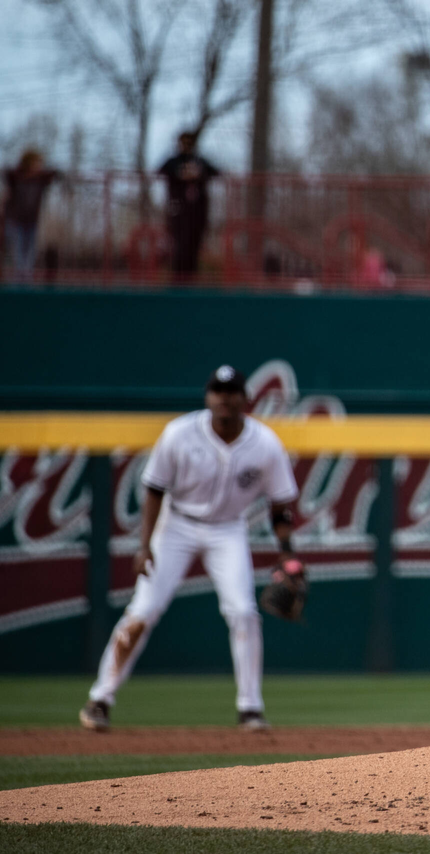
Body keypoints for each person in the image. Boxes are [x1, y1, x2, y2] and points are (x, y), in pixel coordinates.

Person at [79, 366, 299, 732]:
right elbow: (154, 489)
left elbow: (280, 506)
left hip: (228, 529)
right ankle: (100, 699)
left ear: (245, 398)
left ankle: (250, 708)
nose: (224, 398)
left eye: (232, 392)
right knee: (144, 610)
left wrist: (288, 554)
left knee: (243, 612)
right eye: (218, 391)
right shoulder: (179, 433)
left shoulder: (265, 443)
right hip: (176, 525)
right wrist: (145, 545)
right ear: (208, 396)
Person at [158, 132, 220, 280]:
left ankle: (191, 279)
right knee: (179, 245)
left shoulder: (199, 162)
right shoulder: (173, 162)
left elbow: (216, 172)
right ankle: (177, 279)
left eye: (189, 142)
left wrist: (198, 173)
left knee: (194, 245)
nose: (186, 146)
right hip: (177, 210)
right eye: (183, 142)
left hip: (197, 212)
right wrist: (180, 173)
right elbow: (161, 170)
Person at [2, 149, 60, 281]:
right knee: (18, 253)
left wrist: (40, 174)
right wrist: (24, 173)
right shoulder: (17, 178)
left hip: (32, 221)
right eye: (35, 163)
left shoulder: (40, 180)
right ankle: (18, 282)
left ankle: (27, 280)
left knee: (30, 253)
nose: (38, 166)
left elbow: (53, 174)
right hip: (16, 221)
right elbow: (7, 173)